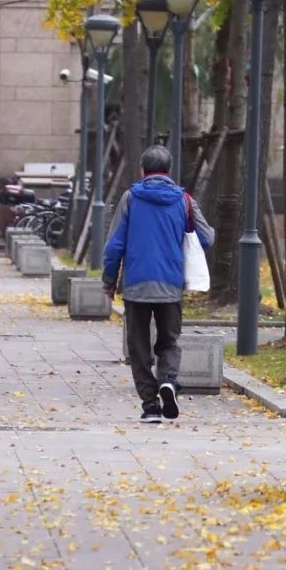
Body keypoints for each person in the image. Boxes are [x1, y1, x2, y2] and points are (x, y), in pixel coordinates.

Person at [103, 144, 214, 424]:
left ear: (143, 170)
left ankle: (150, 405)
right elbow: (207, 237)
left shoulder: (131, 198)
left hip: (137, 284)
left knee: (139, 346)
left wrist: (109, 281)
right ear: (169, 171)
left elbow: (114, 244)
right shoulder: (184, 200)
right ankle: (168, 380)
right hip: (170, 283)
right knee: (169, 341)